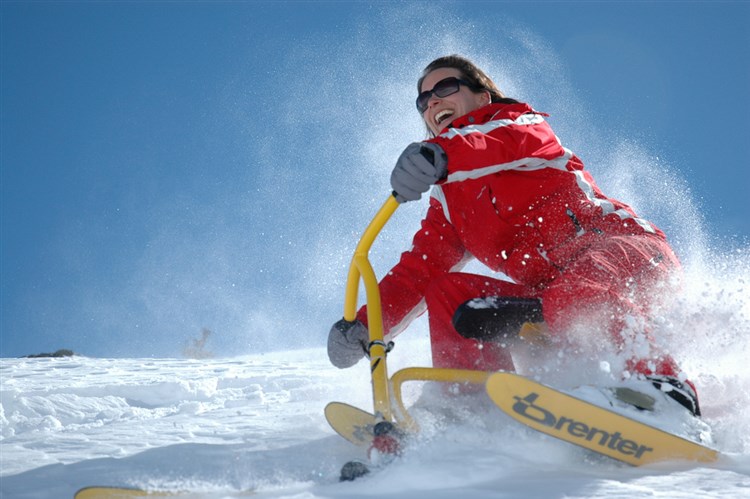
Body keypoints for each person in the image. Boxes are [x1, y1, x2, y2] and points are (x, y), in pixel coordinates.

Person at [327, 55, 700, 417]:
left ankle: (662, 392)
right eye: (424, 100)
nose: (433, 101)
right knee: (448, 293)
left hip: (626, 254)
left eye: (445, 86)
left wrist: (440, 154)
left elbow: (494, 140)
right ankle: (472, 406)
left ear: (482, 96)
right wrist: (366, 325)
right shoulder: (450, 200)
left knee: (574, 291)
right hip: (553, 302)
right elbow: (420, 271)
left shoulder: (520, 125)